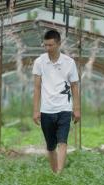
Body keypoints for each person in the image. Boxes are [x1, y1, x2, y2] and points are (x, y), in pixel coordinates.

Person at [32, 29, 80, 173]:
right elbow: (36, 87)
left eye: (50, 45)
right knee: (50, 146)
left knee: (62, 142)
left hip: (64, 108)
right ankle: (55, 175)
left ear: (59, 44)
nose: (48, 48)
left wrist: (76, 109)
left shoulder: (69, 63)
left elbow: (74, 86)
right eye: (45, 45)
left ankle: (59, 173)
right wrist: (36, 110)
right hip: (46, 109)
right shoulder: (39, 62)